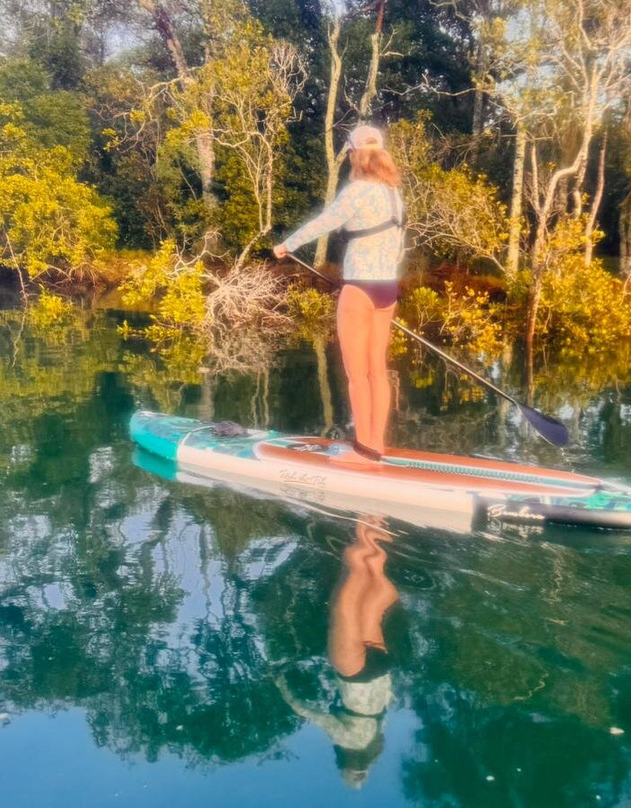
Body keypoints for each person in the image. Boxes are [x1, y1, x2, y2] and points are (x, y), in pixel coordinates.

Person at [273, 124, 405, 466]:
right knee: (378, 369)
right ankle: (376, 444)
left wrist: (287, 245)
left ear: (355, 155)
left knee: (356, 373)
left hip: (359, 288)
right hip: (388, 289)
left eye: (350, 153)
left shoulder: (357, 191)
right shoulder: (394, 194)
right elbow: (398, 246)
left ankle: (363, 451)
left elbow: (323, 223)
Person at [274, 516, 398, 789]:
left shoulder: (378, 738)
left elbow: (389, 701)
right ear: (344, 759)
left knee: (373, 588)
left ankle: (380, 525)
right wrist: (282, 685)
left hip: (382, 670)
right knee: (346, 596)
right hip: (353, 674)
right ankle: (364, 520)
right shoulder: (347, 741)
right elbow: (311, 713)